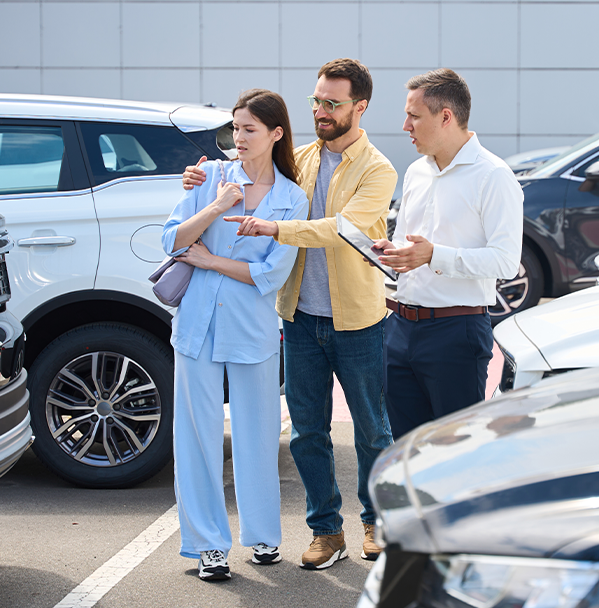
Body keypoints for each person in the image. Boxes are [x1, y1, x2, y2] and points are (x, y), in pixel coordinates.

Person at [183, 58, 397, 570]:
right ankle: (327, 531)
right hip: (299, 317)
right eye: (316, 101)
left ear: (359, 107)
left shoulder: (379, 169)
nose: (321, 110)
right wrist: (198, 176)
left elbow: (341, 229)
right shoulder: (299, 160)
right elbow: (249, 165)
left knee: (371, 429)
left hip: (357, 319)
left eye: (332, 103)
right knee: (306, 432)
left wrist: (275, 229)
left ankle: (376, 520)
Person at [163, 89, 308, 582]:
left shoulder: (293, 198)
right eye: (236, 127)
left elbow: (272, 275)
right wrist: (214, 206)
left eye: (249, 129)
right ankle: (208, 546)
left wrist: (208, 261)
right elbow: (171, 239)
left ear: (276, 134)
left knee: (258, 434)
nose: (239, 138)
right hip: (198, 326)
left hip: (253, 328)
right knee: (198, 437)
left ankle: (264, 537)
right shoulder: (211, 177)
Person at [373, 68, 524, 439]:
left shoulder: (494, 176)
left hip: (456, 334)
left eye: (414, 116)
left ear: (446, 117)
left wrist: (433, 256)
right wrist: (391, 254)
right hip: (401, 329)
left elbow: (505, 260)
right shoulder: (415, 172)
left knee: (456, 453)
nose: (405, 125)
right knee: (407, 452)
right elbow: (412, 246)